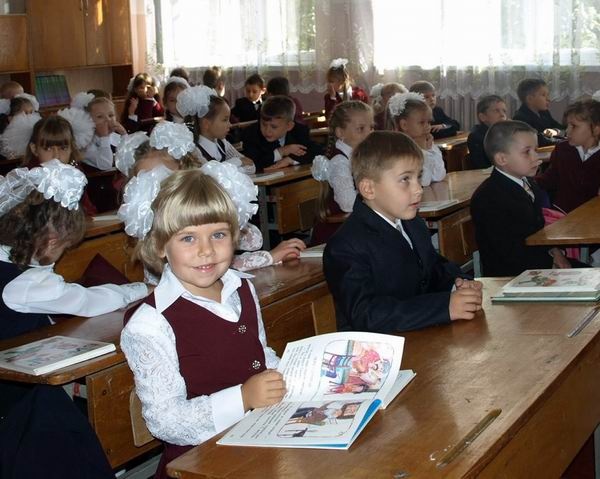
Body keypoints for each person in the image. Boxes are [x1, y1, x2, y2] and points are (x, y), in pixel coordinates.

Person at [120, 169, 286, 478]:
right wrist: (242, 398)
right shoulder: (150, 323)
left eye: (218, 235)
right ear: (160, 246)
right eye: (188, 238)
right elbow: (165, 421)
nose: (206, 250)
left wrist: (293, 377)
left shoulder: (241, 288)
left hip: (260, 437)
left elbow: (260, 354)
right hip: (198, 463)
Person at [323, 131, 483, 332]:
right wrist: (443, 307)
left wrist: (459, 283)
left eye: (419, 177)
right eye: (405, 179)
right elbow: (365, 315)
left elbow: (433, 267)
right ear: (369, 189)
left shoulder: (412, 223)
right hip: (378, 346)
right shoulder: (345, 246)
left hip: (420, 334)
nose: (418, 189)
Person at [0, 160, 148, 340]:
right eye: (65, 247)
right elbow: (87, 301)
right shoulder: (29, 283)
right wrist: (142, 289)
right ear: (52, 243)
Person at [470, 120, 572, 277]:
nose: (536, 157)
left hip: (540, 264)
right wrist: (549, 265)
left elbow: (538, 232)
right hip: (513, 276)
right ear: (502, 159)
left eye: (536, 150)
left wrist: (555, 251)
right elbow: (507, 254)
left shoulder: (529, 183)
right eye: (527, 152)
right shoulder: (489, 198)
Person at [311, 101, 373, 244]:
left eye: (371, 127)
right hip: (338, 233)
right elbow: (348, 203)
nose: (369, 133)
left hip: (356, 225)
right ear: (340, 133)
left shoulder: (361, 155)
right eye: (361, 129)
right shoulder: (339, 162)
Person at [535, 99, 600, 213]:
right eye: (567, 125)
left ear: (596, 129)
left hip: (592, 215)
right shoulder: (563, 149)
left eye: (574, 126)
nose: (567, 131)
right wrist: (526, 180)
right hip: (562, 212)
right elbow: (550, 178)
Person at [176, 85, 255, 173]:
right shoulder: (194, 150)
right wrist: (237, 162)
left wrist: (230, 169)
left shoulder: (222, 143)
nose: (230, 124)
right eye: (225, 120)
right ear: (206, 124)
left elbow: (251, 166)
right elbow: (210, 175)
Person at [242, 95, 322, 171]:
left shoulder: (299, 131)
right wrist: (281, 152)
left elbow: (317, 151)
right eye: (264, 124)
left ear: (289, 126)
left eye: (274, 127)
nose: (267, 130)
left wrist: (291, 160)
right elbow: (252, 163)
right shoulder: (251, 134)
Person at [388, 92, 446, 186]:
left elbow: (439, 176)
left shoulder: (426, 144)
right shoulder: (400, 151)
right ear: (404, 125)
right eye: (422, 123)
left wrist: (430, 150)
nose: (428, 126)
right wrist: (423, 151)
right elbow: (423, 182)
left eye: (429, 122)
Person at [72, 93, 127, 171]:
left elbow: (131, 155)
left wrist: (124, 135)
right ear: (88, 120)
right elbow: (106, 165)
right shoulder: (86, 143)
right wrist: (104, 137)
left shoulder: (113, 136)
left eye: (111, 115)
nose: (108, 120)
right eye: (100, 117)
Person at [513, 78, 564, 147]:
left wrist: (557, 131)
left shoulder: (544, 113)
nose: (548, 99)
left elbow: (559, 127)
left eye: (548, 95)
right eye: (543, 95)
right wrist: (559, 137)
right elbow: (538, 140)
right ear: (530, 99)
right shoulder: (520, 118)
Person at [467, 95, 508, 169]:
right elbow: (483, 166)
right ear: (483, 117)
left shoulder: (506, 133)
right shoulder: (476, 137)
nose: (502, 115)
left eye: (504, 111)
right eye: (496, 111)